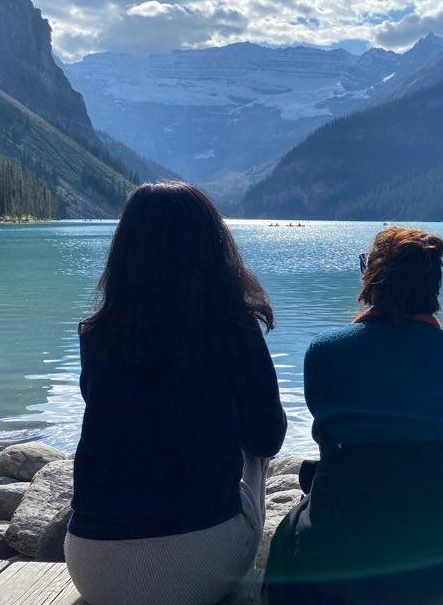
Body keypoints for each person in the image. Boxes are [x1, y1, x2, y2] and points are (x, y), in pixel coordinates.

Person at [64, 181, 287, 605]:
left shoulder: (97, 334)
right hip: (199, 567)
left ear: (124, 250)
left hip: (92, 566)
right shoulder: (233, 329)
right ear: (213, 247)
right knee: (257, 456)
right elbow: (267, 437)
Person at [264, 227, 443, 605]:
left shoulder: (324, 353)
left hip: (344, 543)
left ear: (372, 281)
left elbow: (329, 436)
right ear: (432, 288)